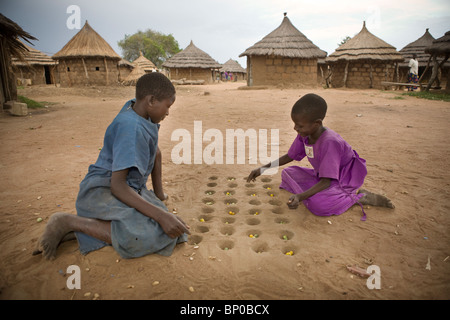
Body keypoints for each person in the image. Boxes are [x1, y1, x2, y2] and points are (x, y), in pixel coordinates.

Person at [33, 73, 190, 260]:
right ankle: (67, 221)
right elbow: (118, 186)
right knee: (155, 233)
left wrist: (158, 196)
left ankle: (76, 230)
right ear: (151, 100)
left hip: (130, 188)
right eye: (167, 106)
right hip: (103, 191)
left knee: (174, 227)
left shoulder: (139, 110)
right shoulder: (130, 128)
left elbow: (155, 153)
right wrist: (161, 216)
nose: (168, 113)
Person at [247, 93, 394, 221]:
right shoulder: (306, 134)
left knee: (319, 205)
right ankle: (316, 193)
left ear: (316, 123)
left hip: (341, 178)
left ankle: (358, 197)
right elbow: (290, 156)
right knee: (287, 173)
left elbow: (326, 181)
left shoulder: (330, 142)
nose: (295, 128)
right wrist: (263, 168)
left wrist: (301, 196)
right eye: (294, 124)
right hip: (322, 175)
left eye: (299, 125)